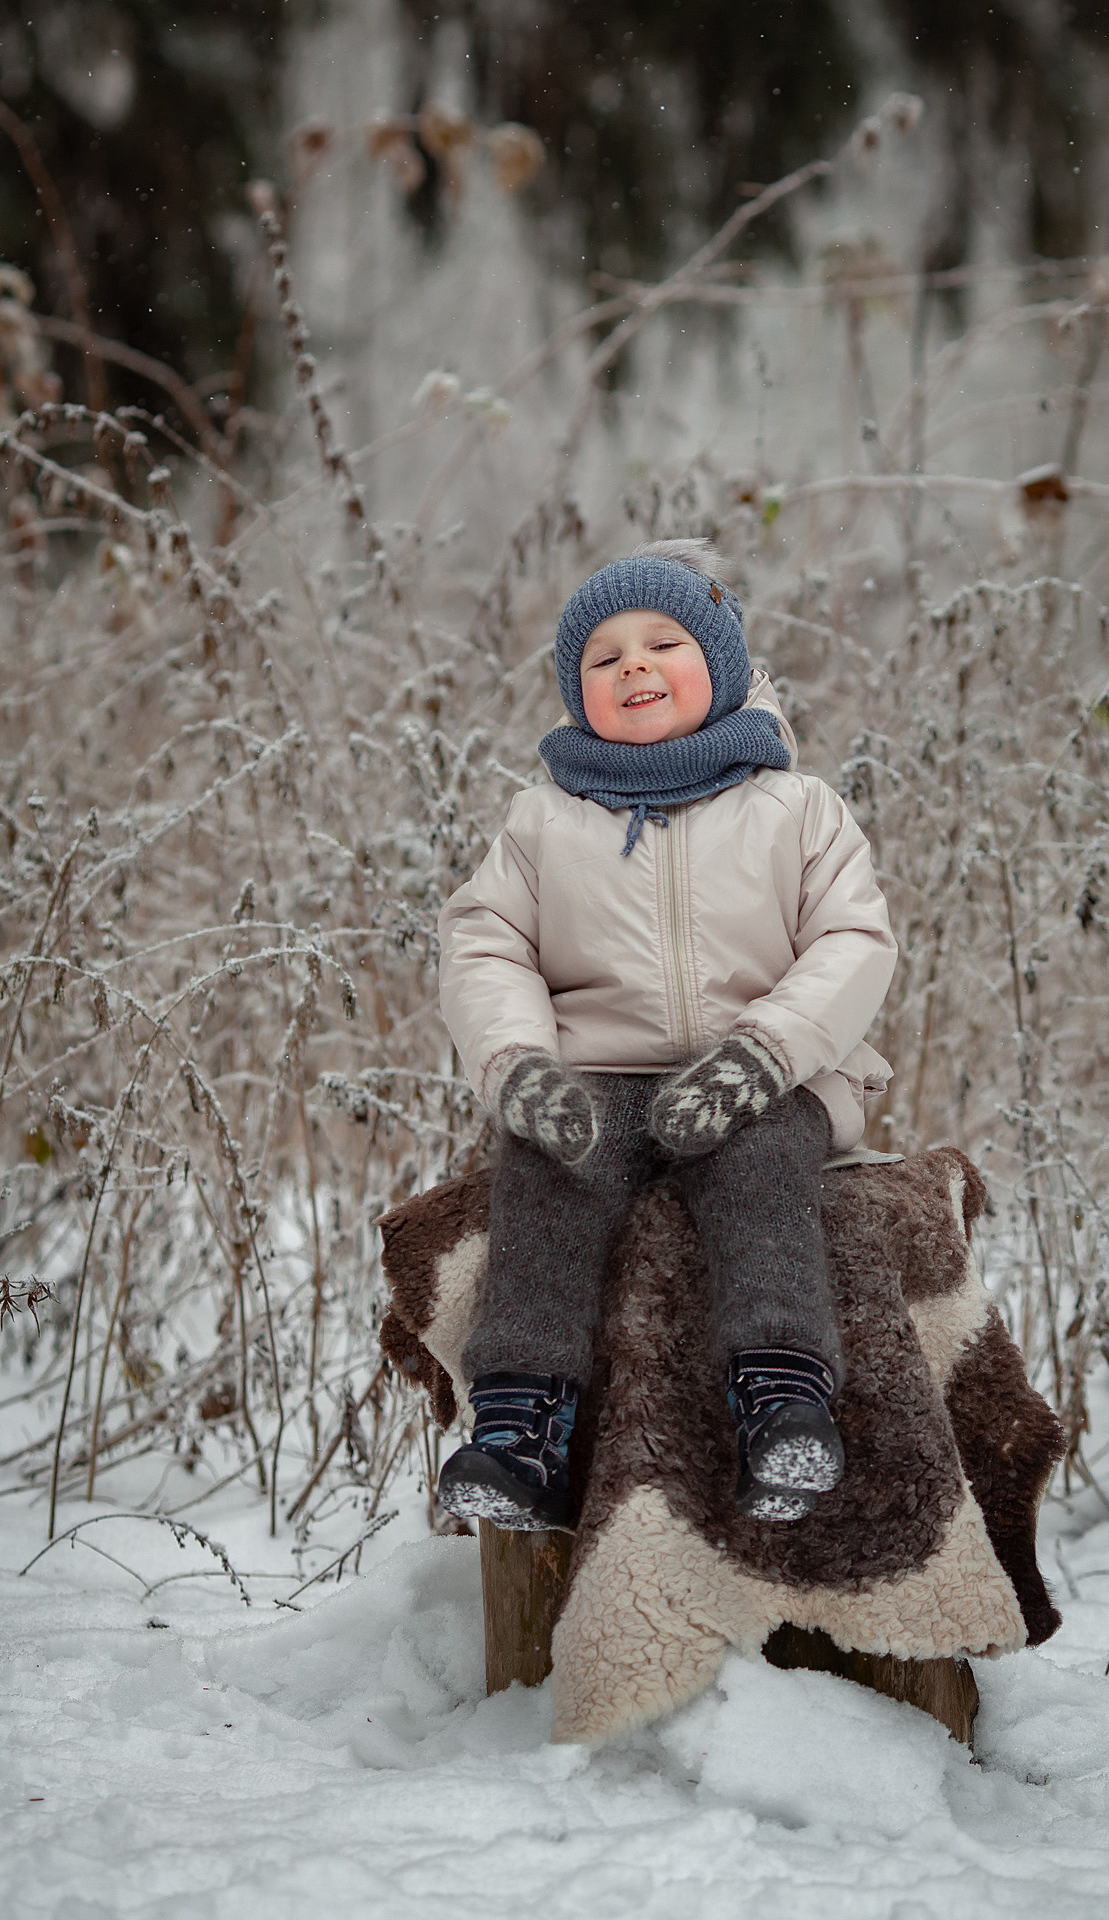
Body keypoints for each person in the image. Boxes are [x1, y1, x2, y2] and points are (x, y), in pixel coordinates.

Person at [434, 539, 896, 1531]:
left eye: (661, 643)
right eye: (602, 659)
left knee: (758, 1160)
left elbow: (851, 943)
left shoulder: (795, 808)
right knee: (550, 1166)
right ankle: (518, 1429)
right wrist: (517, 1061)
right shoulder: (542, 822)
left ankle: (781, 1408)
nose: (631, 665)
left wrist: (767, 1050)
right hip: (595, 1074)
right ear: (576, 694)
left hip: (763, 1075)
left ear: (720, 668)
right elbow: (483, 943)